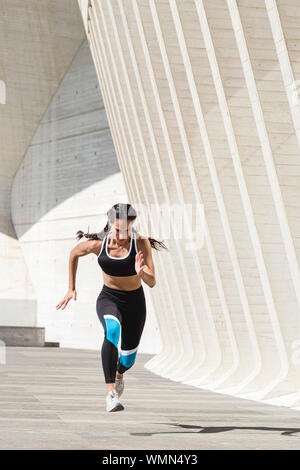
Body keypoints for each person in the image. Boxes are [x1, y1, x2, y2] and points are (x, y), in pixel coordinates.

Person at [56, 203, 167, 412]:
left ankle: (118, 375)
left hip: (135, 302)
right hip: (109, 298)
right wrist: (71, 288)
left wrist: (141, 271)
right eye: (117, 229)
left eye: (126, 229)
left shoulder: (140, 243)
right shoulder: (98, 244)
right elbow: (73, 254)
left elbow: (152, 282)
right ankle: (110, 393)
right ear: (109, 224)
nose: (122, 234)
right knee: (112, 330)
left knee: (127, 359)